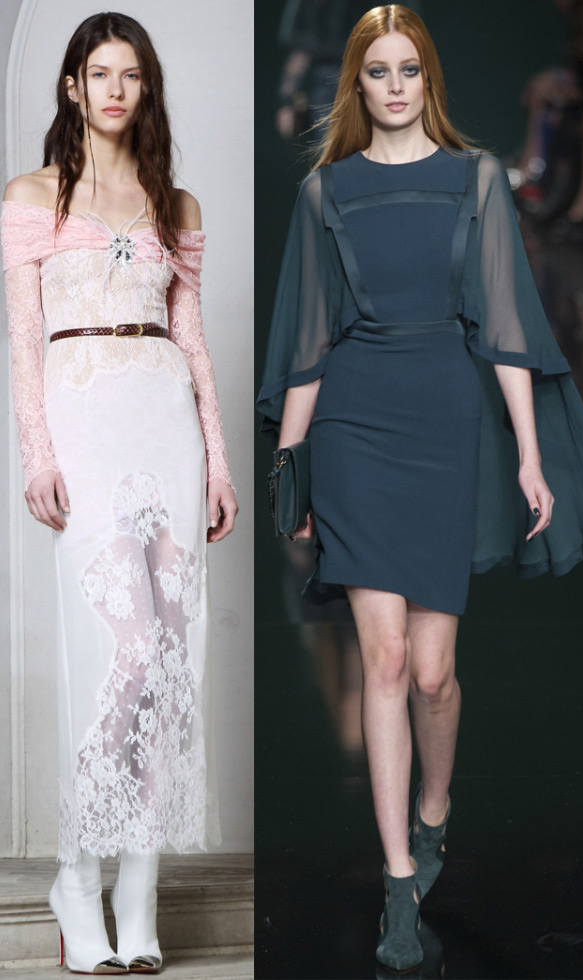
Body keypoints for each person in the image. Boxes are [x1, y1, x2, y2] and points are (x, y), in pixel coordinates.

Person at [257, 4, 583, 972]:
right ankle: (398, 884)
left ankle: (435, 809)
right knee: (382, 661)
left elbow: (505, 324)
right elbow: (308, 339)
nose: (393, 86)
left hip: (445, 424)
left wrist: (530, 456)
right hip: (354, 427)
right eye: (377, 70)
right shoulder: (326, 191)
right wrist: (290, 462)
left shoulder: (476, 179)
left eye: (408, 69)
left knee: (432, 674)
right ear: (356, 81)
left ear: (429, 78)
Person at [1, 12, 238, 976]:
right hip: (85, 423)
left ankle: (137, 896)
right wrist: (36, 454)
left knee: (169, 663)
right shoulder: (30, 196)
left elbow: (194, 342)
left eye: (130, 75)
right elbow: (23, 340)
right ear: (72, 86)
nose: (114, 90)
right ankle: (77, 874)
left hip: (165, 424)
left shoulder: (174, 203)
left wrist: (219, 464)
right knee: (126, 654)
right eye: (98, 73)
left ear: (145, 88)